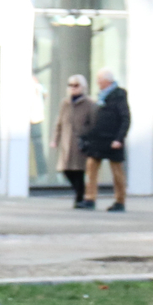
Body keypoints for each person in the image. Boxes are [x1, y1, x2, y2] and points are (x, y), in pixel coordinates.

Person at [84, 68, 131, 211]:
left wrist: (119, 138)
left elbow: (125, 119)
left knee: (117, 172)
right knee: (91, 168)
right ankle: (90, 198)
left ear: (107, 81)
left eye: (100, 79)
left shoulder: (118, 96)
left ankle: (120, 201)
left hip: (113, 140)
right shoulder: (101, 97)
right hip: (98, 140)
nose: (98, 82)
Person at [52, 73, 94, 207]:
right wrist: (55, 139)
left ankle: (80, 198)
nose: (73, 88)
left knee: (79, 171)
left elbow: (93, 124)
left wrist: (90, 140)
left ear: (83, 87)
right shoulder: (65, 103)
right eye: (70, 85)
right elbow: (59, 123)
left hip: (81, 143)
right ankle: (79, 195)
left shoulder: (90, 104)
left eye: (76, 85)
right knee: (66, 170)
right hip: (66, 143)